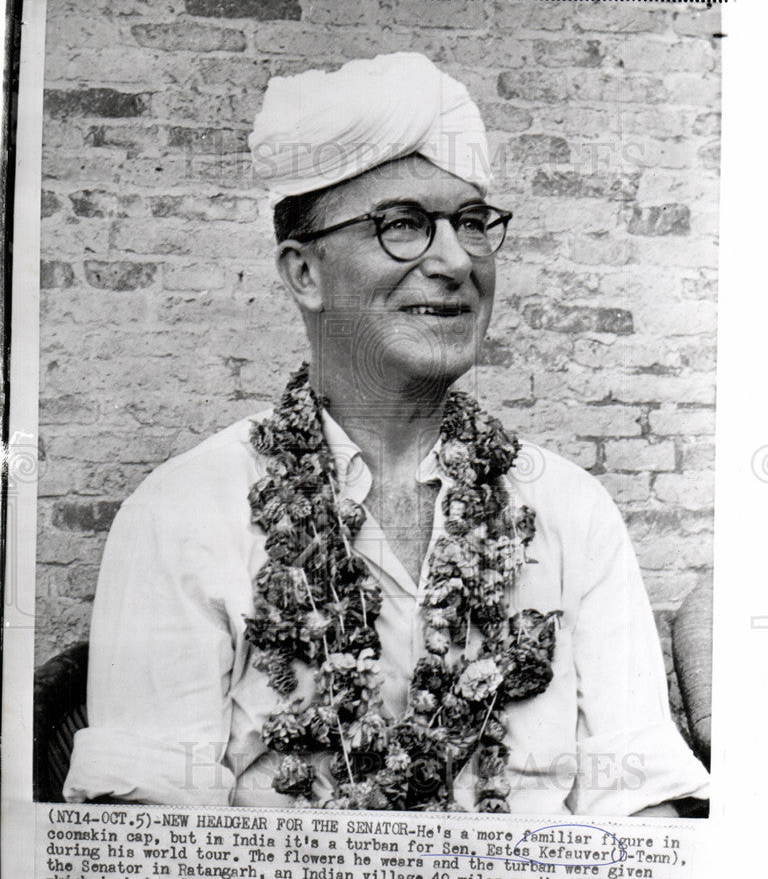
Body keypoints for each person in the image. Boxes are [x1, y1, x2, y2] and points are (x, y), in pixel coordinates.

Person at [64, 52, 709, 814]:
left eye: (471, 223)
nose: (453, 260)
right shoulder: (183, 511)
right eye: (402, 225)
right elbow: (144, 843)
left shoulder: (571, 510)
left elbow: (640, 816)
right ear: (305, 273)